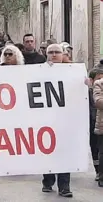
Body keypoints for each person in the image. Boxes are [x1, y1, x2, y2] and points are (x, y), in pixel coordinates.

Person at [41, 43, 72, 197]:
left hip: (66, 121)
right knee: (49, 152)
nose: (53, 55)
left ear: (63, 54)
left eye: (57, 52)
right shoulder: (40, 71)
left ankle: (64, 186)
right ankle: (47, 181)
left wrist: (87, 85)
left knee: (65, 153)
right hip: (46, 120)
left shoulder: (73, 71)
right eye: (50, 52)